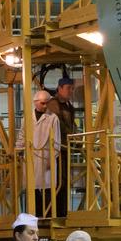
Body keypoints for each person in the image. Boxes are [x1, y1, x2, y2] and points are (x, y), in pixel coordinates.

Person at [46, 76, 75, 214]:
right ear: (60, 88)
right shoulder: (53, 104)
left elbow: (70, 125)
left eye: (72, 88)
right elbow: (59, 125)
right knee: (58, 181)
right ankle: (55, 211)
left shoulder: (69, 106)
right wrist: (72, 136)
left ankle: (62, 211)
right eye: (68, 88)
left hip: (65, 148)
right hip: (57, 150)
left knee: (64, 181)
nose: (71, 91)